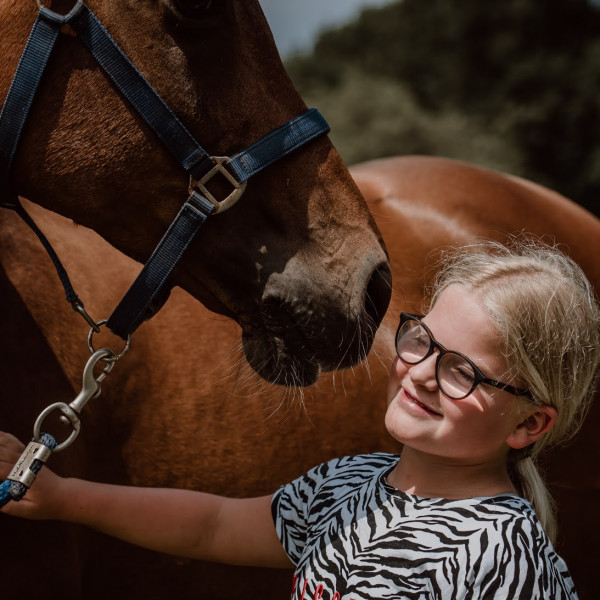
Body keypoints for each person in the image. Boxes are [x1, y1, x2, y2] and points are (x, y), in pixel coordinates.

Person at [1, 238, 598, 599]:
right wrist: (65, 497)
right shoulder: (352, 485)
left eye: (462, 372)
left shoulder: (498, 557)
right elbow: (213, 524)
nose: (418, 372)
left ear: (528, 426)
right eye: (421, 340)